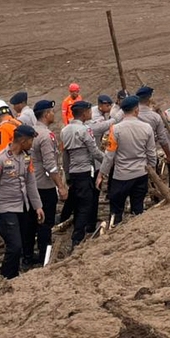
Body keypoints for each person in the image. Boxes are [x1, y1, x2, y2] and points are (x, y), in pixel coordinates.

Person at [0, 125, 42, 280]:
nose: (32, 144)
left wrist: (38, 206)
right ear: (22, 140)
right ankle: (6, 278)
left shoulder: (26, 157)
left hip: (22, 207)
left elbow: (30, 183)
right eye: (30, 140)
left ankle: (14, 276)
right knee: (15, 246)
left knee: (20, 246)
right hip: (5, 209)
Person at [97, 96, 156, 225]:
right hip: (140, 174)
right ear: (136, 110)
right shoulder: (147, 128)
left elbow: (109, 155)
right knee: (138, 208)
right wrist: (152, 169)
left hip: (121, 176)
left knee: (116, 210)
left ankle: (114, 231)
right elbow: (151, 153)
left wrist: (102, 174)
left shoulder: (116, 129)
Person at [24, 101, 67, 268]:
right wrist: (61, 186)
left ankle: (27, 257)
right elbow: (51, 165)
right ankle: (44, 258)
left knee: (29, 223)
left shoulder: (30, 132)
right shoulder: (46, 136)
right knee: (45, 223)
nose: (54, 114)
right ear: (46, 114)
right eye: (52, 111)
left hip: (29, 185)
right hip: (44, 186)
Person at [62, 101, 104, 249]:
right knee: (85, 206)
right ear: (84, 113)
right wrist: (108, 161)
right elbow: (94, 152)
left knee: (77, 202)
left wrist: (67, 174)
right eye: (89, 111)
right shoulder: (85, 130)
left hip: (73, 173)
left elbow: (65, 155)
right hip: (85, 171)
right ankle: (77, 238)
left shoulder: (65, 130)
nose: (91, 113)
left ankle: (68, 224)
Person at [136, 87, 170, 165]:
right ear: (150, 99)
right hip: (149, 155)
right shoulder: (155, 117)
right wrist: (169, 155)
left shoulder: (131, 114)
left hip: (132, 155)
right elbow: (162, 138)